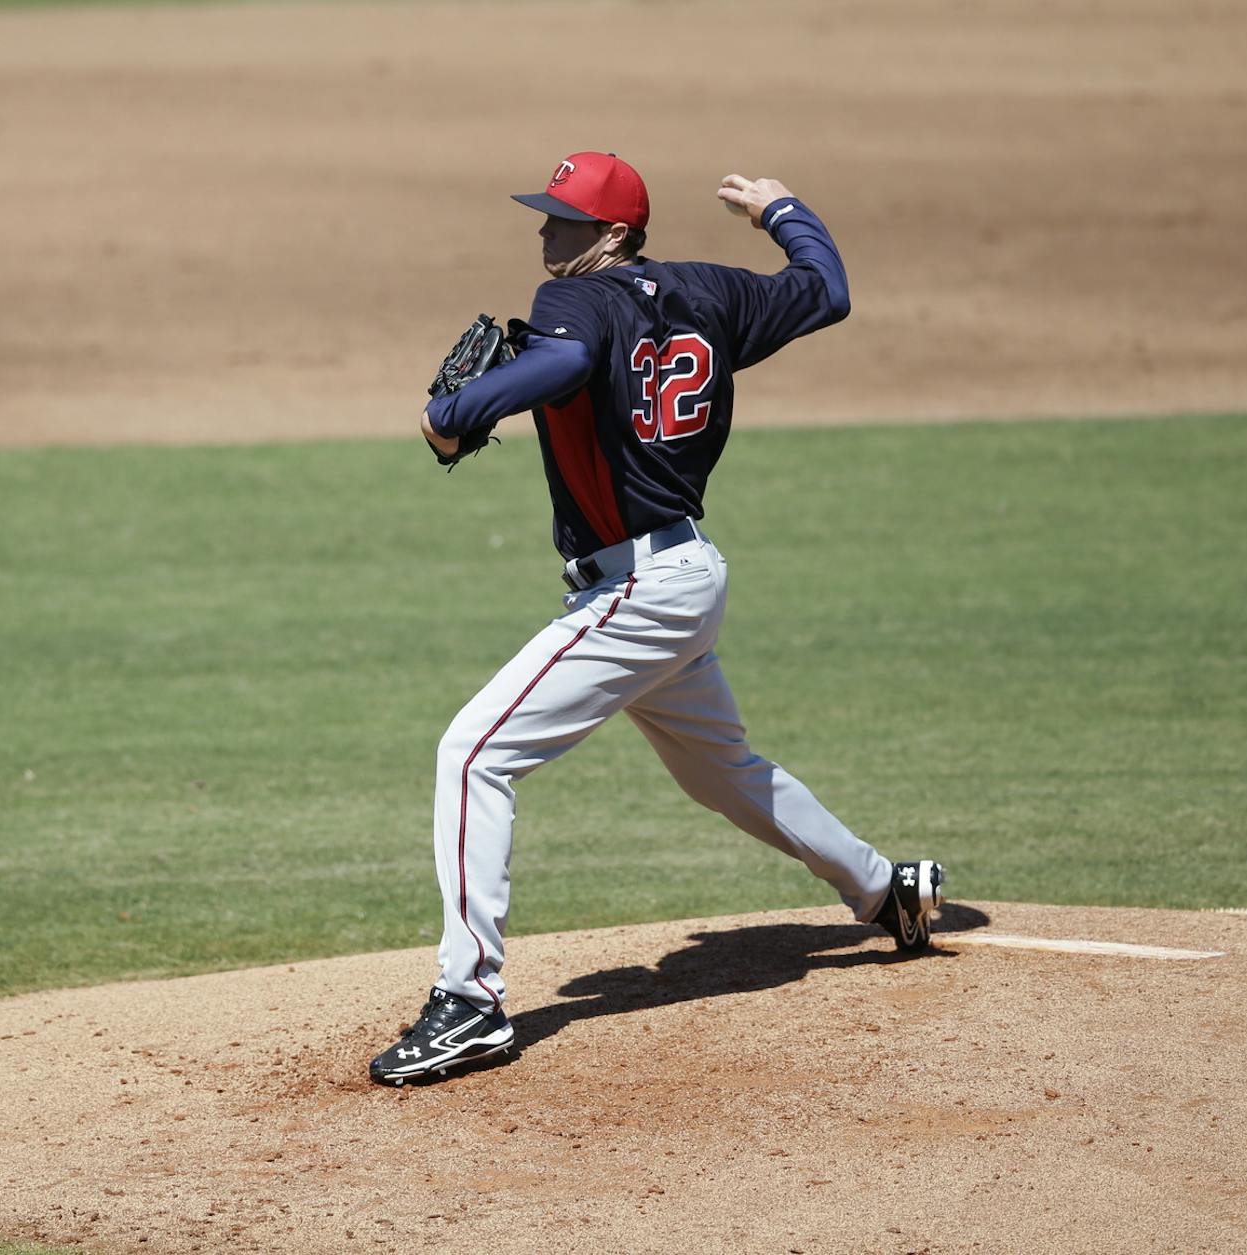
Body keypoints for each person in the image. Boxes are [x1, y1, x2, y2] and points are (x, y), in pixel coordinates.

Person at [369, 153, 945, 1086]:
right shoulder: (711, 294)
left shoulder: (575, 305)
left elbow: (563, 359)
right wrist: (782, 209)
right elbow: (826, 290)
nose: (545, 231)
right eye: (545, 214)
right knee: (727, 775)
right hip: (683, 578)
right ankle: (887, 890)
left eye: (563, 218)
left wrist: (453, 411)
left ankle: (470, 1002)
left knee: (474, 752)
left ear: (614, 235)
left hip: (637, 591)